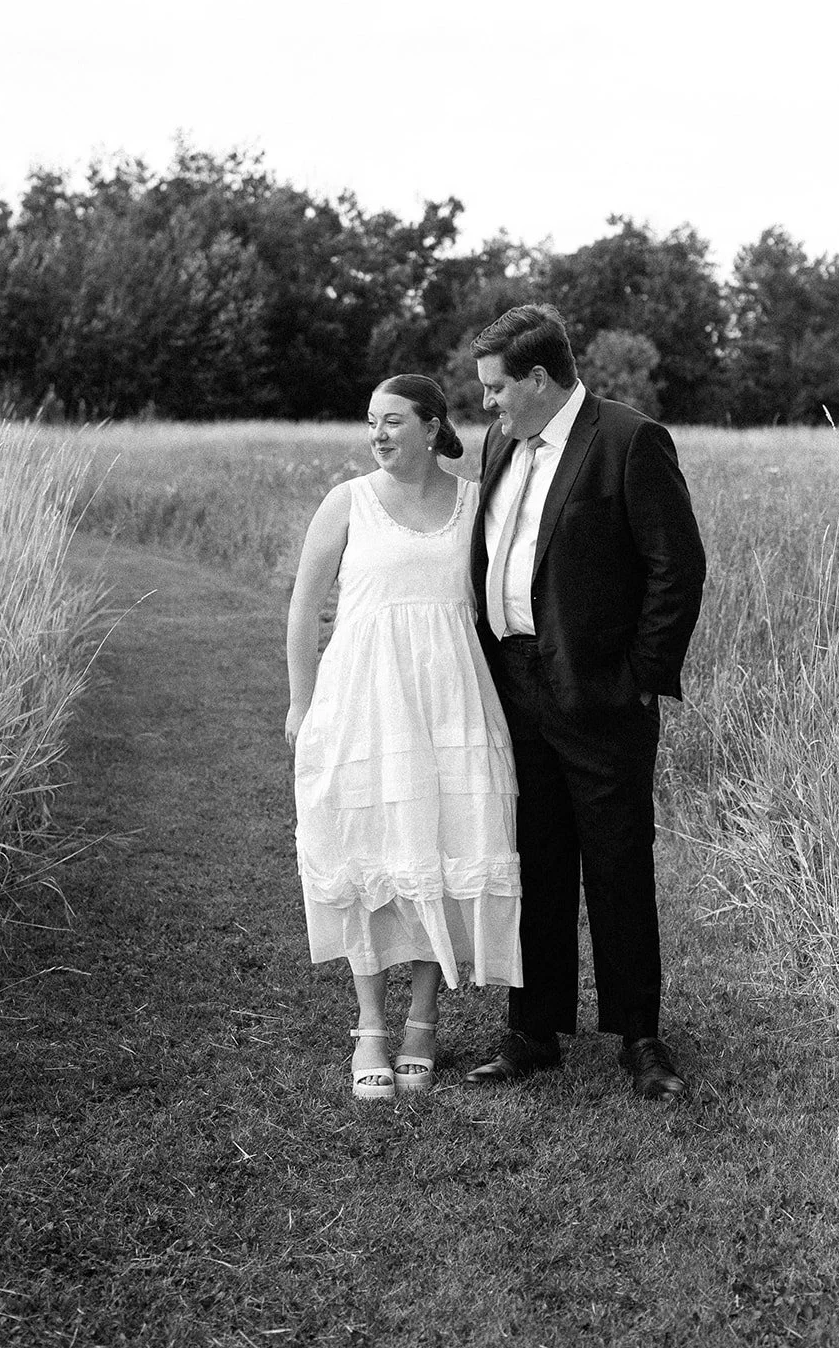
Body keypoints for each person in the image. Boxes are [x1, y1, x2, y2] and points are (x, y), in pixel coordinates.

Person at [464, 304, 706, 1099]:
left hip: (601, 694)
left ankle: (639, 1039)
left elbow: (677, 568)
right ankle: (533, 1032)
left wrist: (638, 676)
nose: (487, 406)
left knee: (616, 867)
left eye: (496, 389)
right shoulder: (503, 439)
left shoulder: (627, 440)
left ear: (538, 378)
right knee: (531, 862)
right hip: (513, 685)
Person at [287, 374, 522, 1101]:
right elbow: (302, 612)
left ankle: (422, 1021)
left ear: (430, 426)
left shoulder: (474, 503)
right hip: (362, 699)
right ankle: (369, 1028)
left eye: (392, 422)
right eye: (370, 423)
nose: (378, 435)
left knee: (444, 845)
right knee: (364, 851)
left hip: (450, 700)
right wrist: (300, 705)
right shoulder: (347, 502)